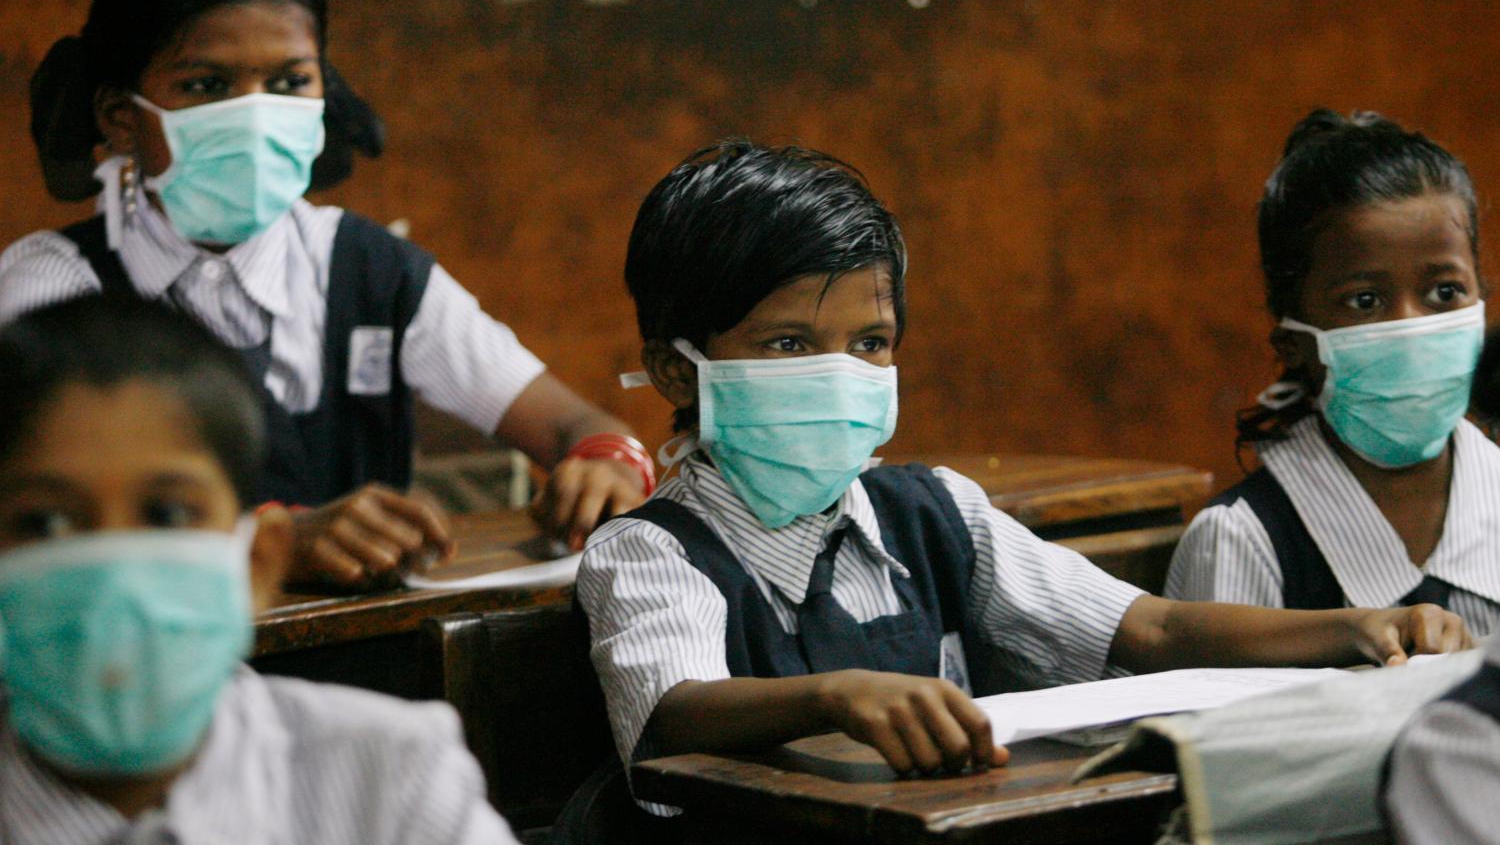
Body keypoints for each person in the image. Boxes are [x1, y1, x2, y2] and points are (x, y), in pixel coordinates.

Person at [573, 140, 1470, 823]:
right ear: (677, 370)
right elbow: (673, 712)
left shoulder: (936, 516)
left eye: (870, 343)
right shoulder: (650, 552)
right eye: (788, 345)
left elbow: (1151, 626)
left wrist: (1359, 628)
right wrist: (834, 694)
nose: (840, 373)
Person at [0, 0, 652, 589]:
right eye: (205, 85)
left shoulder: (370, 271)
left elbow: (573, 424)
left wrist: (609, 462)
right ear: (121, 117)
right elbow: (40, 535)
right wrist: (269, 542)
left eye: (289, 82)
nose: (254, 114)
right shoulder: (56, 294)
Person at [0, 296, 516, 844]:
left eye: (168, 514)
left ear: (257, 564)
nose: (112, 577)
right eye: (45, 523)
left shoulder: (386, 775)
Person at [1164, 110, 1500, 636]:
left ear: (1482, 300)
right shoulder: (1244, 542)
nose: (1410, 329)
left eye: (1444, 292)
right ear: (1294, 343)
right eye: (1365, 301)